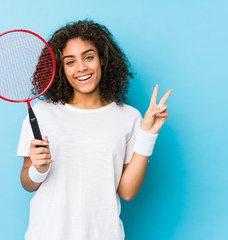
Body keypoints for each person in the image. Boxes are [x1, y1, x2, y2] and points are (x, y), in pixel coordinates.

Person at [17, 19, 172, 240]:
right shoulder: (42, 113)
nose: (81, 67)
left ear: (102, 59)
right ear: (60, 68)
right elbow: (27, 183)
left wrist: (148, 134)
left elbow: (127, 192)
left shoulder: (129, 117)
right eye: (70, 62)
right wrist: (38, 169)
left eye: (88, 57)